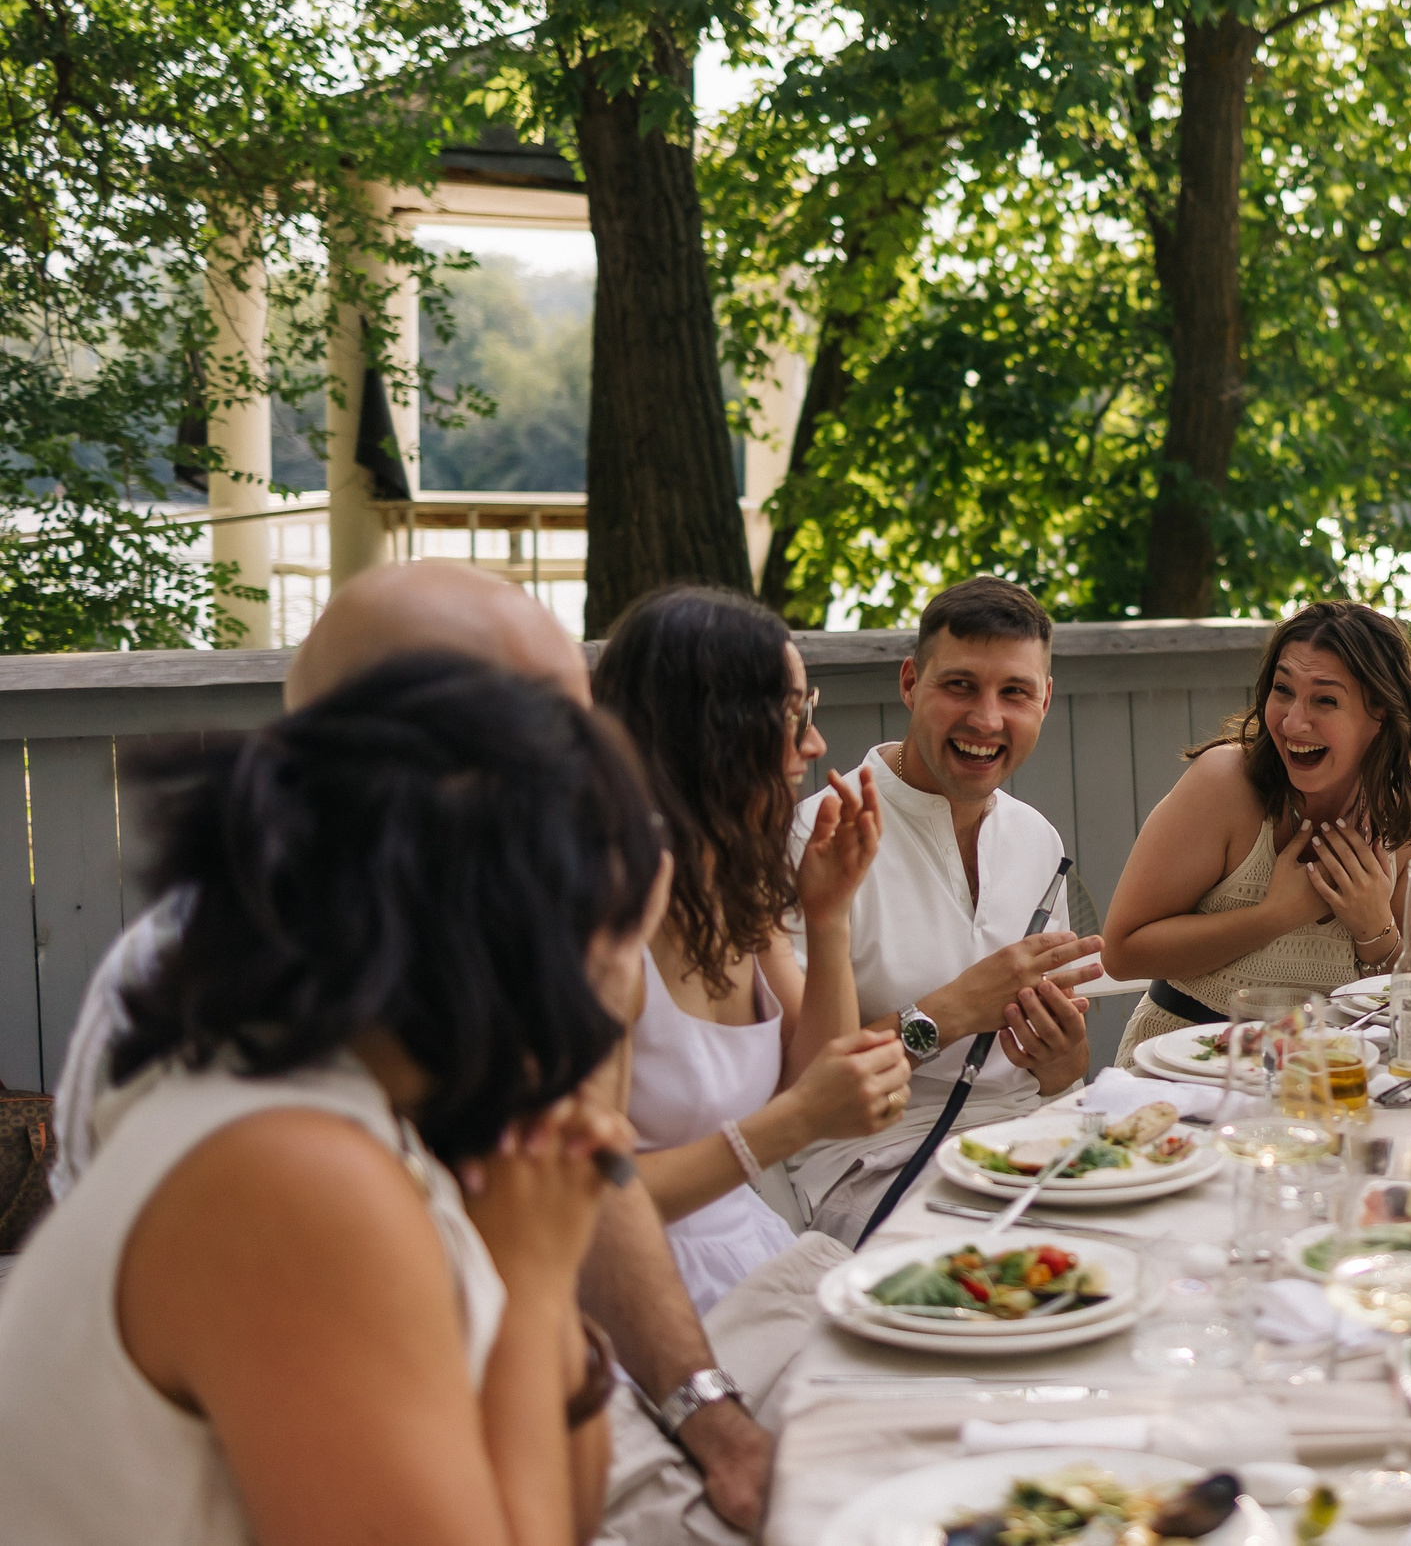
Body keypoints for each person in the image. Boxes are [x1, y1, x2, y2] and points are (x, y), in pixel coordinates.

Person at [43, 563, 782, 1535]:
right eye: (562, 775)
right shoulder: (281, 1152)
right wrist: (533, 1279)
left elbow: (551, 1486)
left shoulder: (423, 1051)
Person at [593, 587, 913, 1313]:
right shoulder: (604, 916)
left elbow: (813, 1078)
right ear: (708, 727)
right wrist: (791, 1123)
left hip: (753, 1257)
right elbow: (586, 1201)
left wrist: (829, 915)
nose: (813, 742)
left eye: (811, 709)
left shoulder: (735, 888)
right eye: (792, 713)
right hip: (637, 1292)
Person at [788, 577, 1104, 1245]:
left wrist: (1062, 1057)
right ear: (910, 683)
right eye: (960, 685)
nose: (987, 719)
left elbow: (1054, 1074)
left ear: (1044, 699)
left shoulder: (1037, 838)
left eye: (1014, 692)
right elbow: (794, 1085)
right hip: (873, 1157)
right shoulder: (817, 836)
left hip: (1032, 1137)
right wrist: (950, 1011)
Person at [1103, 601, 1411, 1057]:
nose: (1292, 721)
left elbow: (1406, 1007)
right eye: (1283, 690)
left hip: (1328, 1073)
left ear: (1380, 712)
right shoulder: (1224, 783)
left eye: (1325, 699)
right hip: (1182, 1063)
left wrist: (1374, 928)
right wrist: (1274, 917)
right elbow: (1123, 953)